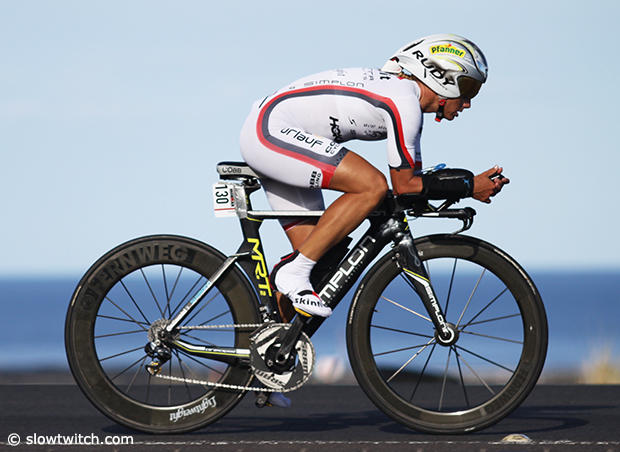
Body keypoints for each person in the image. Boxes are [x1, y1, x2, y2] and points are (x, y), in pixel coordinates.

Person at [240, 34, 509, 405]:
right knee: (371, 186)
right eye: (468, 90)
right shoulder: (404, 102)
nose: (467, 103)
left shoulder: (402, 97)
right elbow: (404, 185)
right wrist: (468, 185)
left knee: (324, 263)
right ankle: (293, 271)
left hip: (278, 132)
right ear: (442, 77)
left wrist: (459, 186)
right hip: (271, 132)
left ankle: (269, 362)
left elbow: (410, 184)